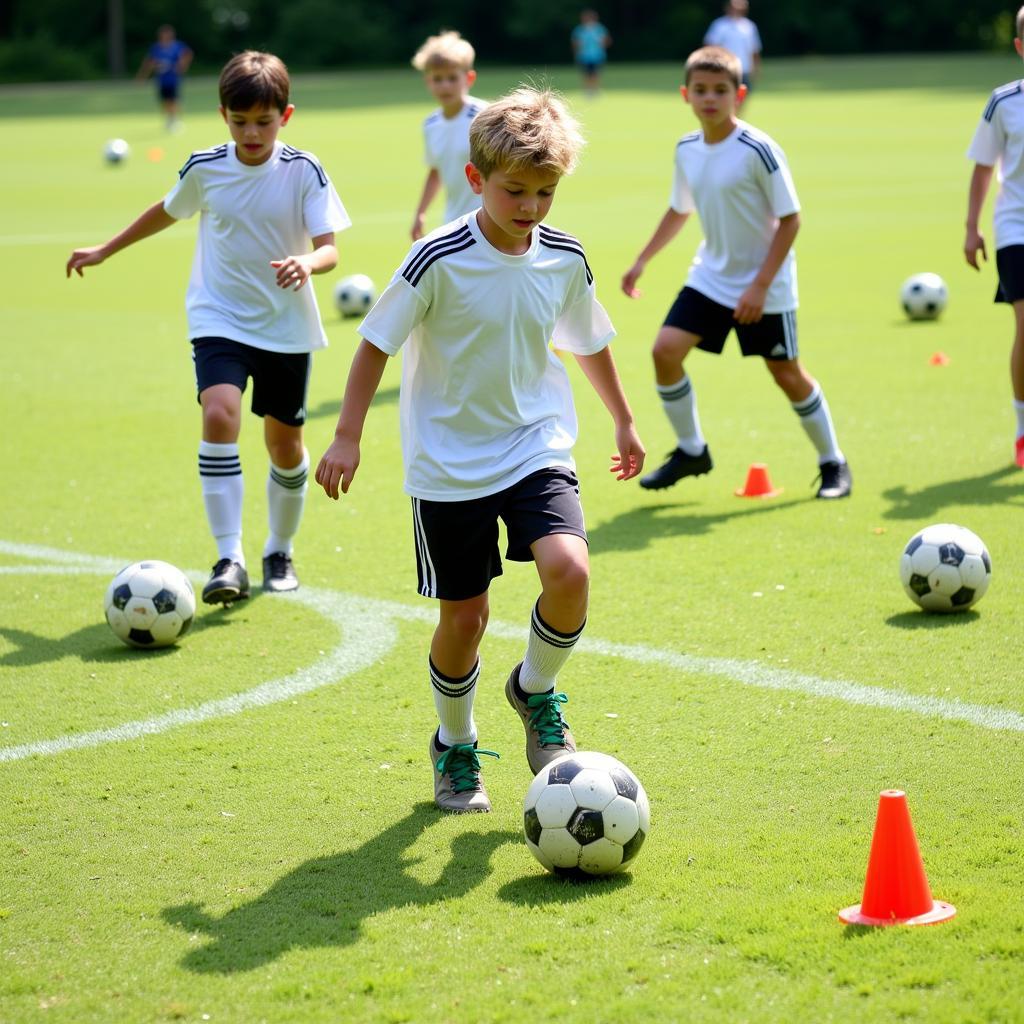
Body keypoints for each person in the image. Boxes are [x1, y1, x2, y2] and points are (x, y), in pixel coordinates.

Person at [316, 87, 645, 813]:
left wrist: (623, 419)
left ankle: (533, 689)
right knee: (464, 619)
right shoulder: (437, 258)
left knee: (570, 569)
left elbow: (588, 342)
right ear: (476, 180)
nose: (531, 206)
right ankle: (455, 744)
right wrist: (347, 435)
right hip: (448, 463)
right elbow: (374, 343)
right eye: (515, 190)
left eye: (545, 192)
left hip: (535, 445)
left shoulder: (563, 256)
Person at [67, 51, 351, 603]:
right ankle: (230, 557)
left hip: (284, 324)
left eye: (263, 122)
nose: (251, 132)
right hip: (218, 314)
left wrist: (307, 265)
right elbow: (168, 208)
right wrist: (106, 248)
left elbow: (329, 250)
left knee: (284, 445)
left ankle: (279, 548)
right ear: (223, 114)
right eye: (239, 121)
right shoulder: (205, 167)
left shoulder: (304, 170)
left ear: (284, 117)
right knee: (219, 412)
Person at [621, 46, 851, 499]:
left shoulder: (758, 149)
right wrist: (642, 260)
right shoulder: (686, 148)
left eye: (721, 90)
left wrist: (760, 286)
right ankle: (692, 451)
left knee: (786, 374)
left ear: (738, 94)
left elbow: (791, 219)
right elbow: (679, 208)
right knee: (665, 351)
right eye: (701, 90)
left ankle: (833, 463)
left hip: (767, 283)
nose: (710, 99)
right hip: (711, 276)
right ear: (685, 94)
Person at [964, 5, 1024, 468]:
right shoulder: (1004, 102)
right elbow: (984, 166)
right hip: (1015, 228)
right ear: (1021, 47)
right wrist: (972, 227)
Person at [409, 31, 486, 242]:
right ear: (428, 82)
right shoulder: (431, 124)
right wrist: (420, 213)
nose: (445, 85)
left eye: (452, 78)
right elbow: (436, 170)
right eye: (438, 79)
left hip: (489, 220)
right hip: (454, 221)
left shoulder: (484, 117)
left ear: (469, 78)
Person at [137, 24, 193, 131]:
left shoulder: (176, 46)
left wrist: (182, 66)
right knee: (164, 101)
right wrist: (143, 76)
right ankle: (169, 119)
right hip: (161, 80)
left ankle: (175, 120)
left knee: (174, 100)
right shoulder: (156, 48)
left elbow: (188, 54)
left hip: (173, 79)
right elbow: (149, 62)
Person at [704, 0, 761, 93]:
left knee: (742, 96)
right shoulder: (719, 25)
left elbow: (754, 50)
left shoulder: (749, 26)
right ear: (728, 8)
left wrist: (755, 68)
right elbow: (710, 46)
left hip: (744, 68)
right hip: (725, 68)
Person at [571, 10, 611, 96]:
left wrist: (602, 43)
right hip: (584, 56)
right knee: (586, 74)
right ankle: (587, 90)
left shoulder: (599, 29)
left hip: (597, 55)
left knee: (595, 74)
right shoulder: (580, 30)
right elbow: (575, 43)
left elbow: (607, 41)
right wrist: (577, 51)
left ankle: (595, 90)